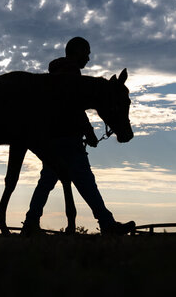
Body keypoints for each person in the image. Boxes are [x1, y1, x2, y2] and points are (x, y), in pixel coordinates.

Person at [22, 37, 135, 236]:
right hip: (68, 138)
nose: (88, 58)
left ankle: (30, 223)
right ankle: (107, 224)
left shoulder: (59, 74)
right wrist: (89, 132)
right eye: (86, 53)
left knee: (47, 181)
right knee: (84, 180)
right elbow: (73, 107)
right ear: (77, 52)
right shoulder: (70, 74)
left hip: (53, 138)